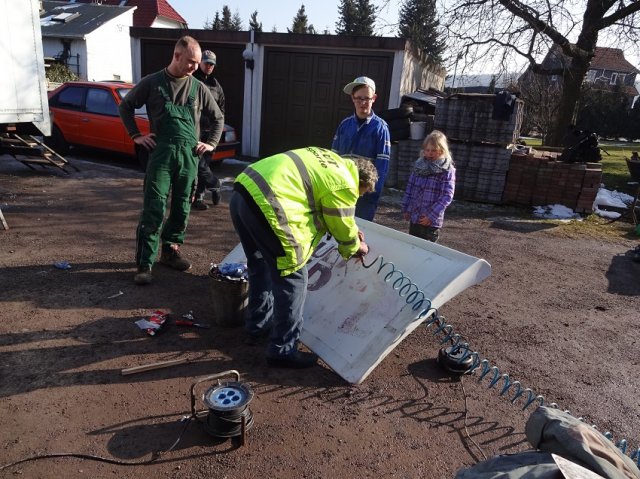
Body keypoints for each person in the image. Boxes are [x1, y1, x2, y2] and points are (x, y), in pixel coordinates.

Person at [229, 147, 378, 368]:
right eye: (361, 193)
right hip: (268, 206)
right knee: (293, 277)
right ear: (361, 182)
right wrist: (356, 247)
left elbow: (321, 204)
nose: (358, 198)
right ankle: (283, 349)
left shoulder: (328, 159)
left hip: (243, 194)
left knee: (260, 264)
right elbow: (342, 227)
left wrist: (348, 228)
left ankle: (257, 327)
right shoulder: (345, 182)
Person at [119, 36, 224, 285]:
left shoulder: (198, 88)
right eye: (191, 62)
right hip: (161, 156)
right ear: (177, 55)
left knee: (182, 208)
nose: (195, 68)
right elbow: (126, 106)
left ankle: (170, 253)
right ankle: (144, 264)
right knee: (154, 207)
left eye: (197, 63)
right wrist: (136, 136)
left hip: (189, 157)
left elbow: (218, 117)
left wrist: (210, 143)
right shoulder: (152, 83)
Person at [332, 76, 391, 222]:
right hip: (342, 188)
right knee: (338, 226)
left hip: (365, 193)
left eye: (367, 98)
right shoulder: (344, 125)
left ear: (374, 98)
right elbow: (333, 157)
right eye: (358, 98)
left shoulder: (380, 128)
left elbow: (382, 166)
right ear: (352, 98)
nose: (362, 103)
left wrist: (373, 193)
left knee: (361, 230)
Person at [401, 130, 456, 243]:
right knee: (413, 246)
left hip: (431, 221)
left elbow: (447, 195)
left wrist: (431, 216)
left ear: (442, 151)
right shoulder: (419, 166)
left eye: (434, 150)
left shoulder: (446, 170)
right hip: (415, 217)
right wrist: (406, 208)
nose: (430, 153)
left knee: (428, 252)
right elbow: (410, 188)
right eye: (428, 150)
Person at [192, 49, 226, 211]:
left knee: (204, 164)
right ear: (200, 63)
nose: (209, 66)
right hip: (194, 132)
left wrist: (216, 131)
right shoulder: (191, 80)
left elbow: (221, 111)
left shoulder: (216, 86)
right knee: (198, 165)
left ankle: (198, 197)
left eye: (212, 64)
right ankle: (214, 184)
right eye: (207, 63)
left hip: (210, 133)